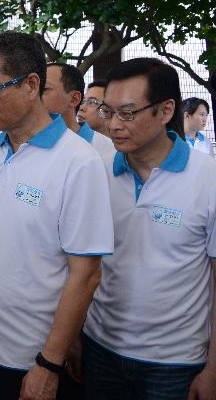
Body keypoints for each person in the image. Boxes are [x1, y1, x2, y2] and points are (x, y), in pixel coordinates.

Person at [0, 31, 114, 400]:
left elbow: (86, 274)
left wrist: (49, 363)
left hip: (22, 358)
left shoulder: (79, 163)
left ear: (31, 84)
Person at [79, 59, 216, 399]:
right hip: (99, 349)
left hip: (175, 364)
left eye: (127, 113)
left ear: (166, 109)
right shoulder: (96, 173)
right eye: (107, 112)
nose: (113, 125)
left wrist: (213, 369)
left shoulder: (208, 178)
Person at [44, 63, 114, 160]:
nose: (35, 96)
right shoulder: (25, 147)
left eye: (44, 89)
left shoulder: (109, 151)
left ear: (74, 99)